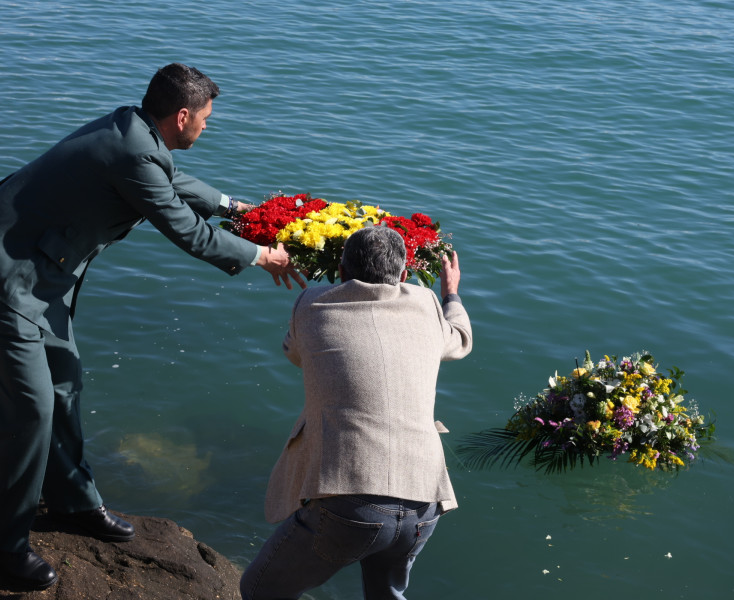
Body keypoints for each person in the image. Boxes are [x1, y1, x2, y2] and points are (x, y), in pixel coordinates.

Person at [0, 63, 305, 591]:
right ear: (182, 115)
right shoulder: (132, 151)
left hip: (44, 279)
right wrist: (260, 255)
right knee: (33, 408)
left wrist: (237, 208)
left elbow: (173, 180)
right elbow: (185, 229)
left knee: (66, 385)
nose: (208, 127)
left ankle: (74, 502)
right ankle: (6, 546)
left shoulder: (133, 130)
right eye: (205, 119)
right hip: (11, 281)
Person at [240, 226, 473, 600]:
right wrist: (452, 292)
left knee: (259, 588)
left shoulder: (311, 304)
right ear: (402, 276)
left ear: (342, 271)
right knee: (386, 595)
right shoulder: (427, 304)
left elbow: (293, 353)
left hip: (352, 504)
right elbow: (461, 338)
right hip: (425, 501)